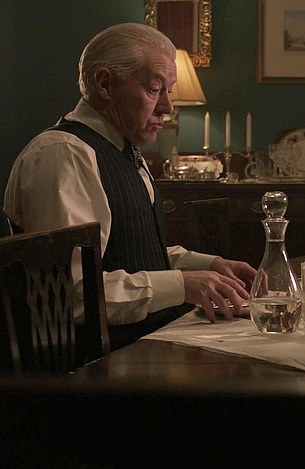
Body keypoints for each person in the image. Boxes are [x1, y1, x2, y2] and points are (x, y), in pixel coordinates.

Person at [3, 23, 255, 351]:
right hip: (96, 364)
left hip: (147, 343)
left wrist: (206, 265)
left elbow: (126, 255)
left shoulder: (122, 150)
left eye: (169, 91)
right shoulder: (63, 155)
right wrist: (182, 284)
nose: (168, 107)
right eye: (155, 89)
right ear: (105, 84)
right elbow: (72, 293)